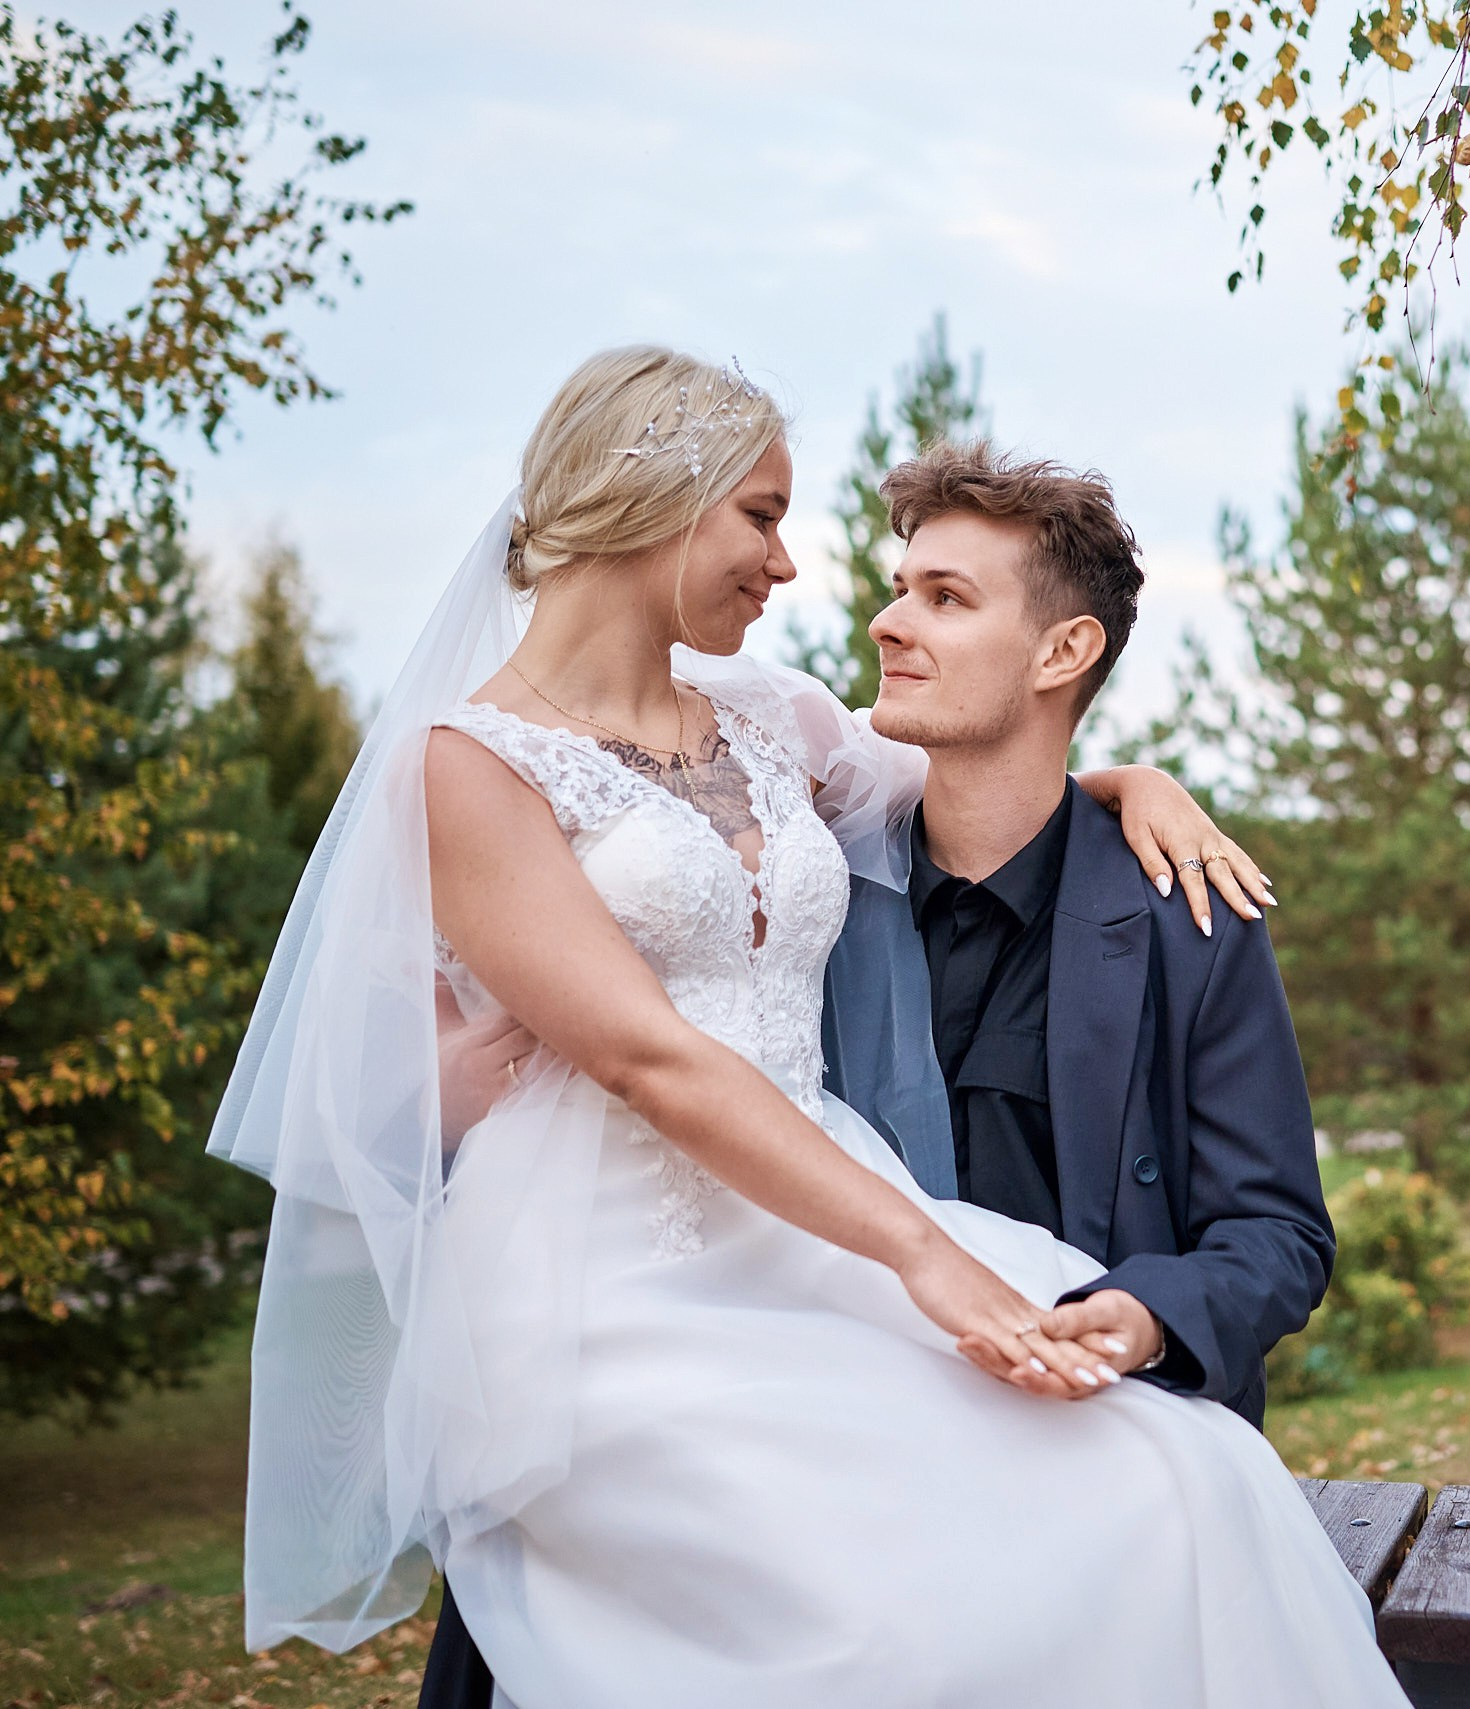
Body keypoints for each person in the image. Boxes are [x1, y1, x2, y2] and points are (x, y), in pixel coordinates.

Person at [210, 346, 1404, 1708]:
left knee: (1185, 1476)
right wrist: (919, 1257)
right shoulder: (467, 763)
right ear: (659, 496)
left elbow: (988, 757)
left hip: (809, 1237)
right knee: (874, 1630)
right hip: (615, 1269)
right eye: (764, 517)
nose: (792, 569)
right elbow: (648, 1057)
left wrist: (1143, 780)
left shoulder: (771, 720)